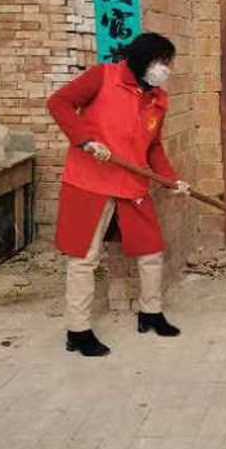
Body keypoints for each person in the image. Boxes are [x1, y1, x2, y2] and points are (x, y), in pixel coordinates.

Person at [47, 33, 190, 357]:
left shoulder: (157, 99)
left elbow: (153, 147)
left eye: (168, 63)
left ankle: (150, 312)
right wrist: (85, 141)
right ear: (143, 59)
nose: (167, 69)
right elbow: (59, 103)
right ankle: (78, 331)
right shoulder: (103, 77)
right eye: (162, 62)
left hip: (132, 185)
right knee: (84, 259)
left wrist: (171, 181)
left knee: (151, 251)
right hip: (91, 183)